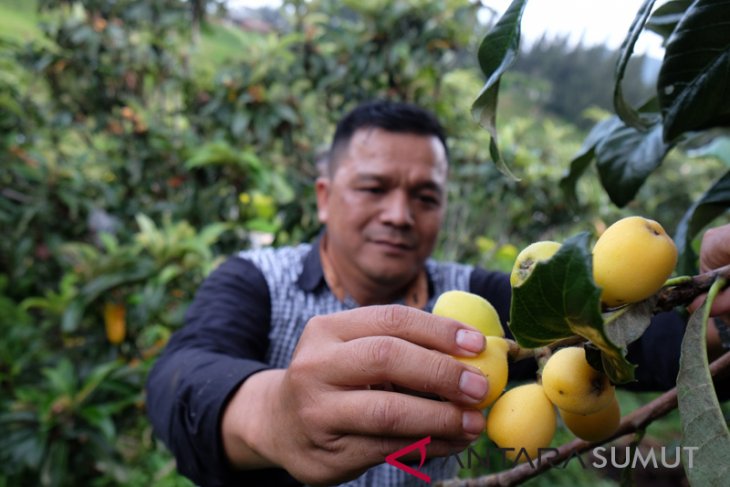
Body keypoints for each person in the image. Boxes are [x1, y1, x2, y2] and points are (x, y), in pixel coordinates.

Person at [145, 100, 730, 487]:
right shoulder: (255, 280)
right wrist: (274, 412)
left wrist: (712, 311)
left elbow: (629, 344)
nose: (399, 215)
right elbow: (180, 380)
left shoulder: (482, 300)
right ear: (324, 196)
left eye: (425, 197)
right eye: (373, 188)